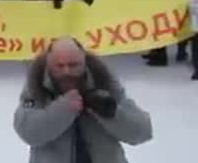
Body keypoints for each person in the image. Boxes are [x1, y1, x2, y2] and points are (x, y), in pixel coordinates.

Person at [14, 36, 152, 163]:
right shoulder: (37, 86)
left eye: (73, 65)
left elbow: (143, 131)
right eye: (59, 66)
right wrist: (62, 110)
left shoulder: (104, 82)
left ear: (84, 63)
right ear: (49, 65)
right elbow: (28, 132)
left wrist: (112, 113)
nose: (66, 71)